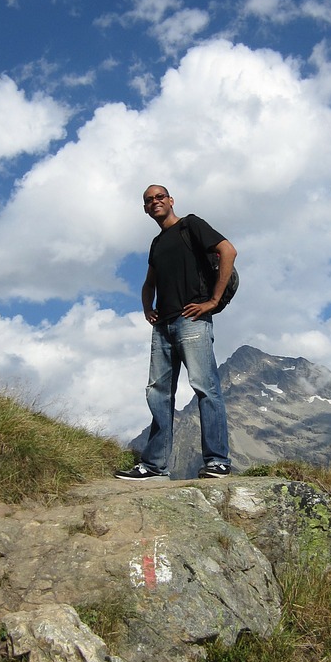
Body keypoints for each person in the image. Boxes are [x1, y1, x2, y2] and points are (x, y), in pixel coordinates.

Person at [116, 185, 236, 481]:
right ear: (145, 209)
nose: (154, 202)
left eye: (159, 197)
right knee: (157, 393)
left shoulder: (190, 225)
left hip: (192, 320)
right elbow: (149, 283)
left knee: (205, 387)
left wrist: (213, 301)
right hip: (163, 326)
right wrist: (148, 308)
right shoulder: (156, 243)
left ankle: (218, 461)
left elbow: (228, 251)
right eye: (148, 200)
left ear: (171, 201)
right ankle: (155, 466)